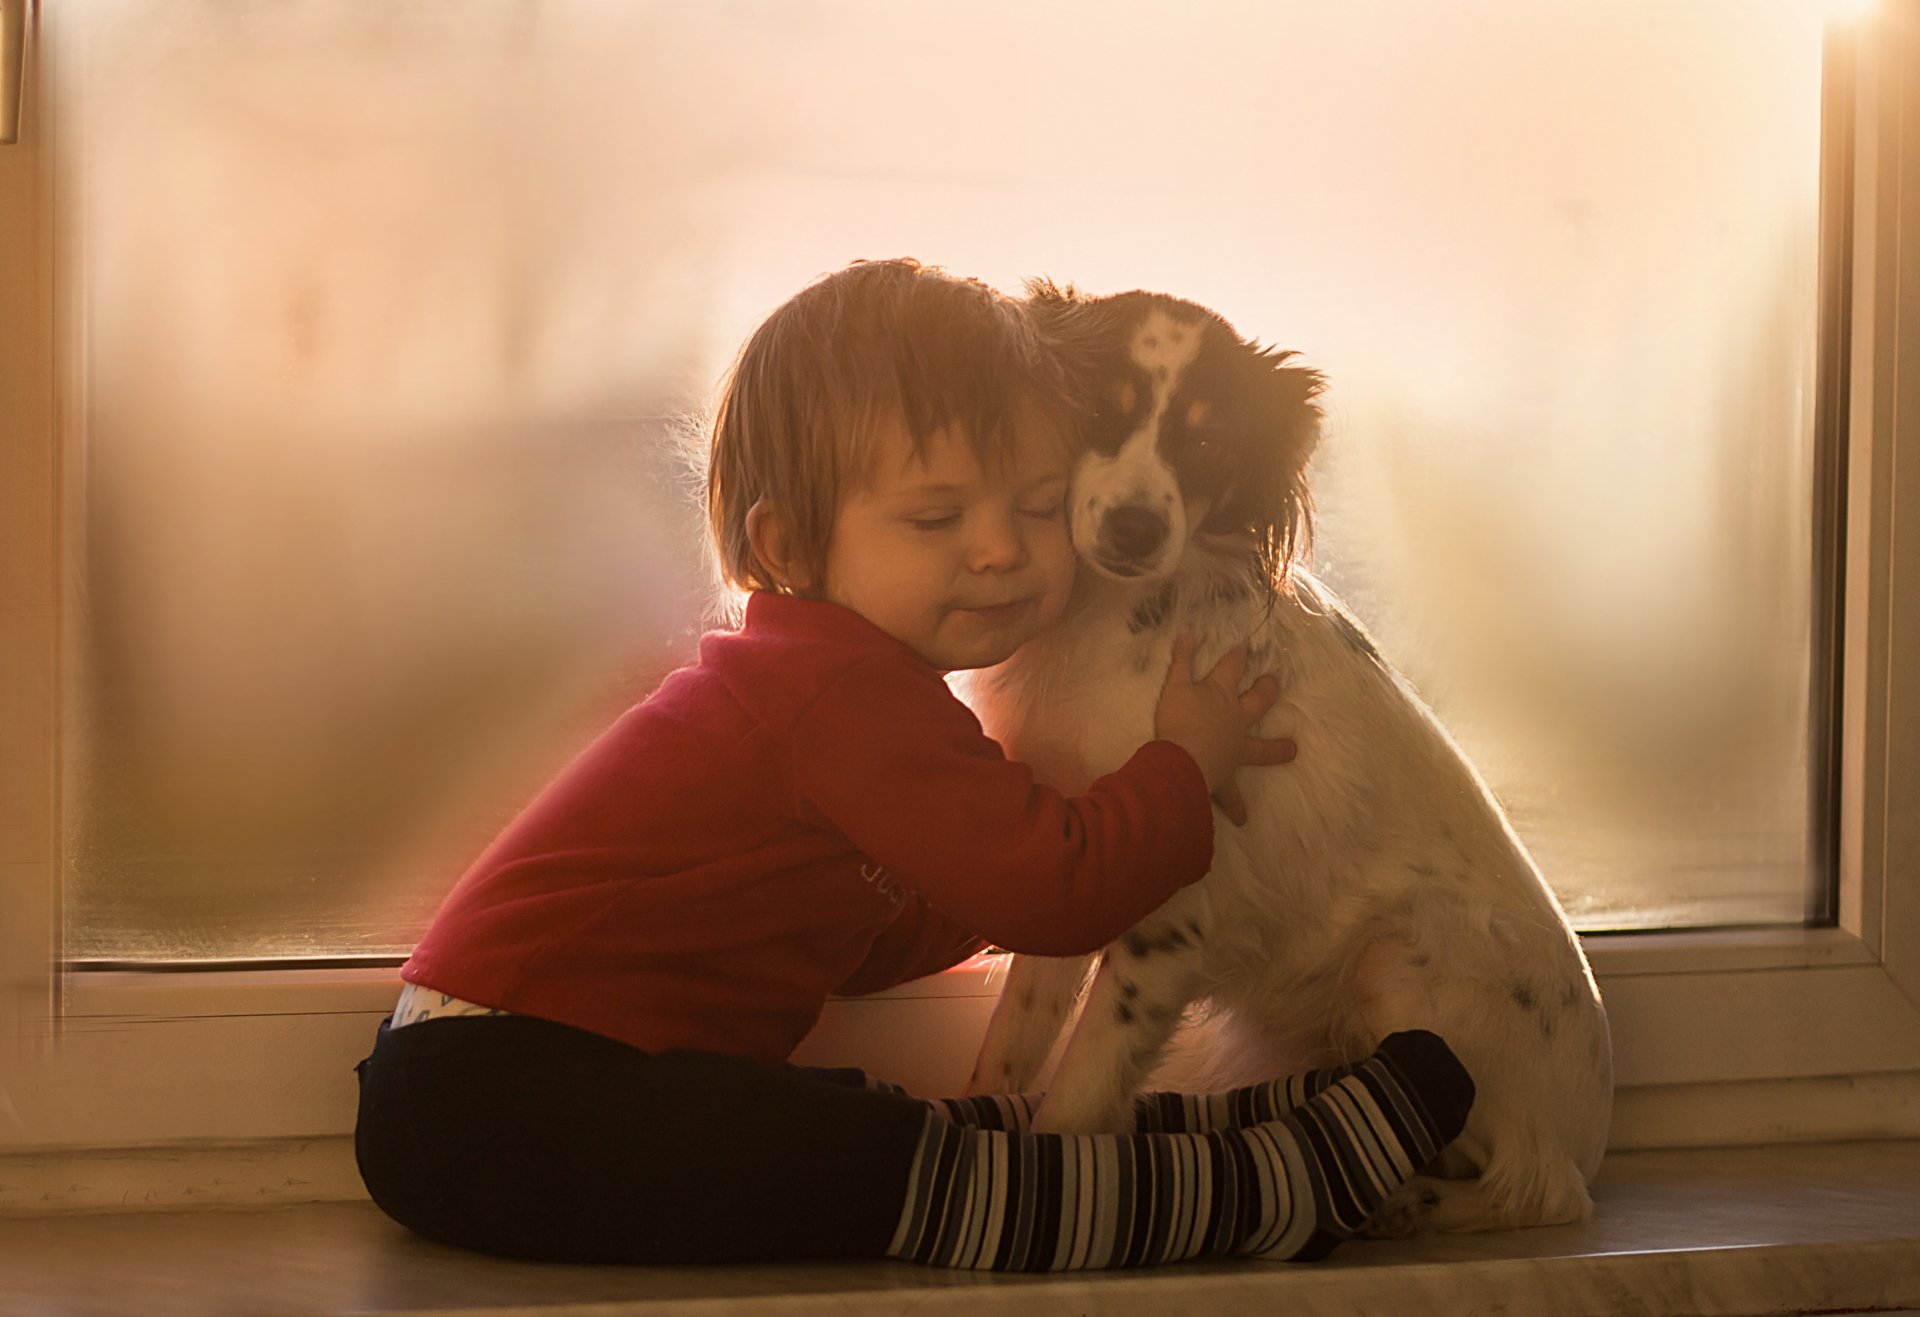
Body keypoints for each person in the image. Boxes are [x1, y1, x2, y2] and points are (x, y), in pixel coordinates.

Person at [353, 258, 1475, 1271]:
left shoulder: (831, 690)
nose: (1000, 548)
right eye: (939, 517)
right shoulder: (836, 695)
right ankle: (1289, 1183)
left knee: (878, 1138)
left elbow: (876, 930)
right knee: (883, 1165)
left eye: (1036, 507)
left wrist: (1031, 848)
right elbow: (1051, 892)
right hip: (513, 1095)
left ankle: (1248, 1130)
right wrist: (1177, 769)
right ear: (787, 547)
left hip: (505, 1089)